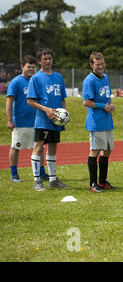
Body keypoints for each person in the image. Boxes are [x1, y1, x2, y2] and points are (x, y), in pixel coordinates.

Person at [27, 48, 69, 191]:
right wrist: (46, 110)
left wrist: (64, 113)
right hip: (43, 120)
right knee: (38, 148)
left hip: (56, 120)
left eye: (50, 58)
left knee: (53, 147)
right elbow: (30, 101)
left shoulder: (58, 77)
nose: (48, 61)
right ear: (39, 61)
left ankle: (53, 180)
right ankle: (37, 181)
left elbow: (62, 99)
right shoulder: (36, 78)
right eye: (44, 59)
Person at [6, 55, 47, 182]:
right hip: (21, 122)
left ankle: (42, 173)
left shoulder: (37, 80)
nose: (31, 69)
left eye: (33, 67)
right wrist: (10, 120)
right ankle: (14, 174)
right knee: (16, 147)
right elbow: (9, 102)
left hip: (37, 121)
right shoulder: (16, 82)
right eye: (28, 67)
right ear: (22, 67)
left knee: (40, 148)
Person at [82, 52, 116, 193]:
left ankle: (102, 181)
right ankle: (92, 184)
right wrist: (104, 106)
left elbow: (107, 96)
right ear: (91, 65)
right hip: (96, 122)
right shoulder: (89, 81)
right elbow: (86, 102)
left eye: (102, 63)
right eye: (97, 64)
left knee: (107, 150)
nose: (100, 66)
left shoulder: (106, 78)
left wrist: (111, 104)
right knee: (95, 151)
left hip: (107, 121)